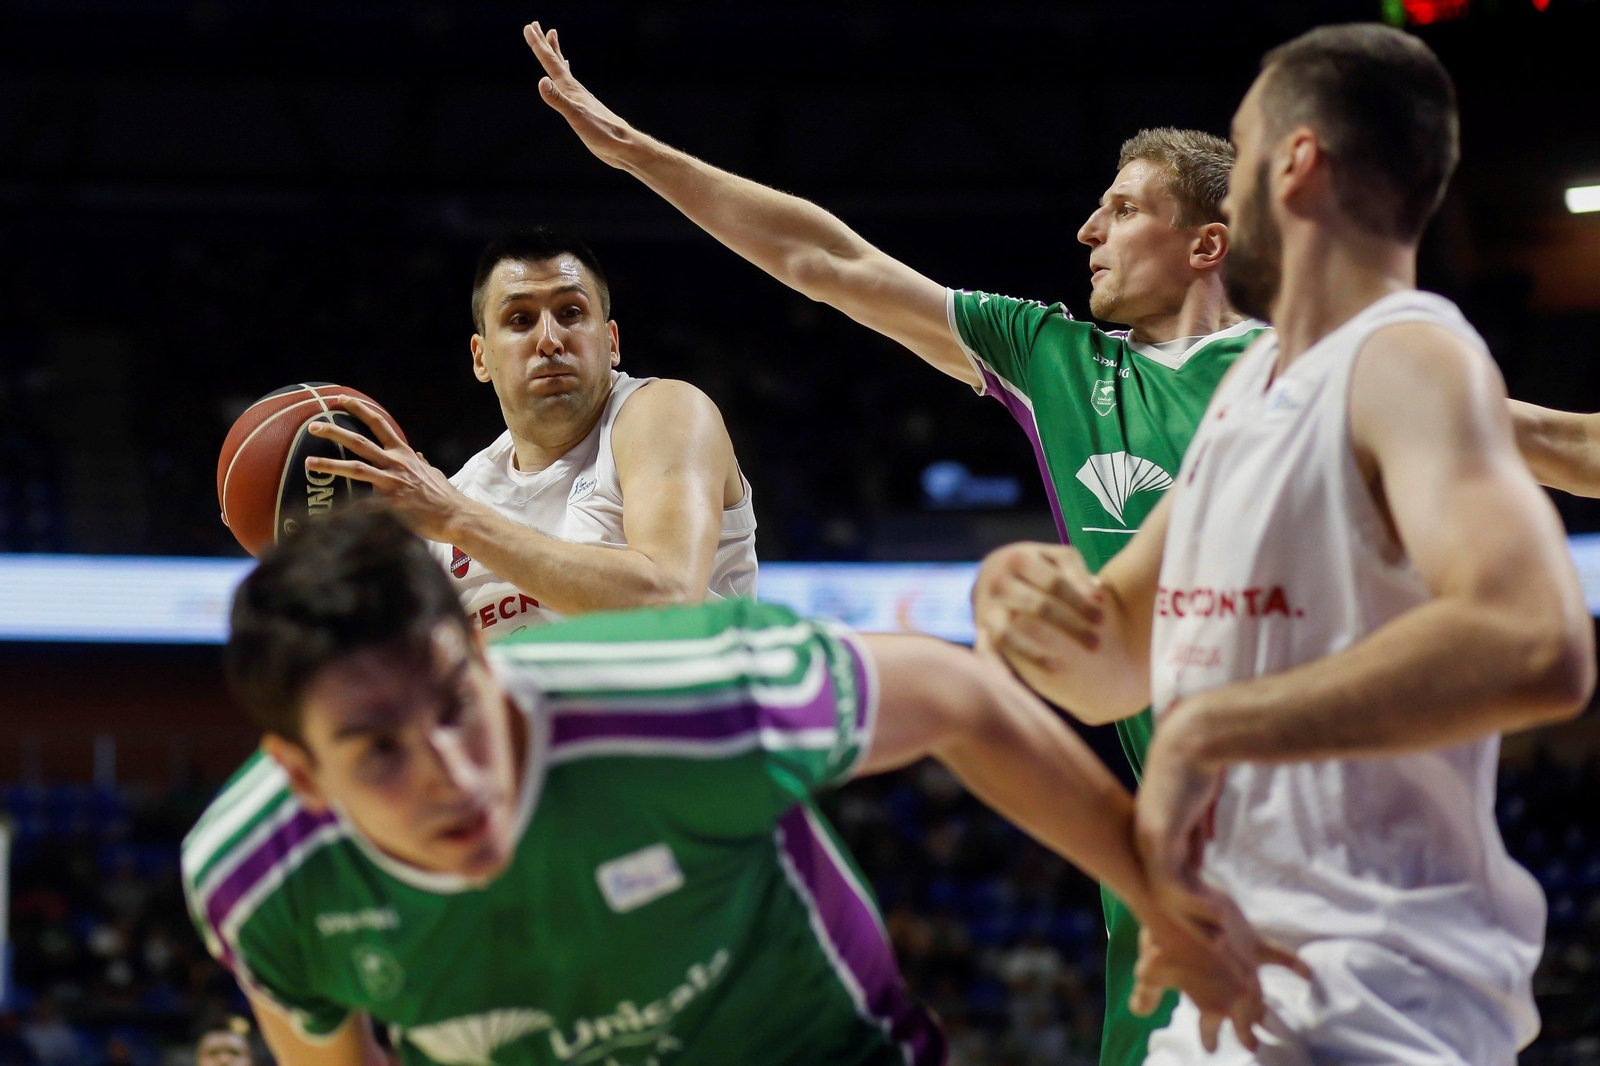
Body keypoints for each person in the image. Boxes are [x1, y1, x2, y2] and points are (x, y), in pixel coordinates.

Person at [518, 22, 1600, 1065]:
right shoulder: (1065, 360)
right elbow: (824, 258)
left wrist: (1201, 730)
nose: (1086, 229)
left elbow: (1547, 454)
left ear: (1208, 238)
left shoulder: (1343, 367)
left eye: (1121, 208)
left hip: (1369, 902)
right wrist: (1023, 603)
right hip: (1174, 862)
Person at [976, 23, 1594, 1064]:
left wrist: (1210, 731)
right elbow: (1112, 666)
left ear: (1294, 164)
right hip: (1224, 988)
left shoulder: (1405, 357)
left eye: (1240, 145)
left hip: (1376, 994)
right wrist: (1020, 596)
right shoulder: (1251, 395)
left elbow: (1536, 642)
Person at [179, 507, 1290, 1066]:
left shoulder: (687, 692)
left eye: (455, 705)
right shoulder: (254, 878)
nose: (452, 772)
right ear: (301, 775)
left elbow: (958, 697)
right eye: (378, 750)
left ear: (480, 658)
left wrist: (1156, 900)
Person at [303, 227, 757, 642]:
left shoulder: (664, 412)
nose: (550, 339)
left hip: (690, 727)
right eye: (520, 319)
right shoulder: (457, 495)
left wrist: (458, 519)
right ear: (481, 358)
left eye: (571, 312)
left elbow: (669, 601)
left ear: (612, 341)